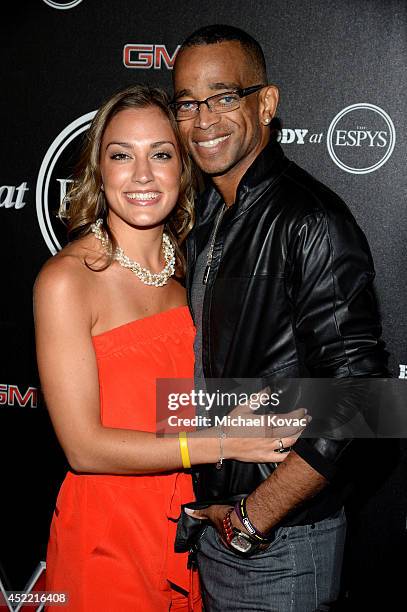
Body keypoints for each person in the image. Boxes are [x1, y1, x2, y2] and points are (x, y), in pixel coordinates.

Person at [33, 84, 301, 612]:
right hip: (107, 535)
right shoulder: (68, 281)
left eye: (160, 154)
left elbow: (171, 406)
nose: (140, 175)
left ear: (184, 167)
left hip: (188, 532)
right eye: (120, 155)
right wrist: (221, 443)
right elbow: (83, 448)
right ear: (98, 170)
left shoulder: (191, 278)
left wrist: (352, 406)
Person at [171, 25, 388, 611]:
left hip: (281, 546)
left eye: (223, 96)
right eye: (187, 103)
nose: (204, 119)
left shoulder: (309, 219)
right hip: (217, 536)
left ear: (266, 103)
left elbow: (363, 397)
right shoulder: (212, 219)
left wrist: (254, 516)